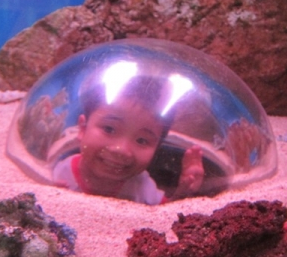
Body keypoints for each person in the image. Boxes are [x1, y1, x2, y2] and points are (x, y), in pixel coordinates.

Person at [52, 74, 204, 204]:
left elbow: (164, 214)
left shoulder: (141, 185)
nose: (121, 150)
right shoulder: (61, 172)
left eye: (141, 140)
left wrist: (183, 192)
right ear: (83, 128)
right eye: (109, 129)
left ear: (157, 148)